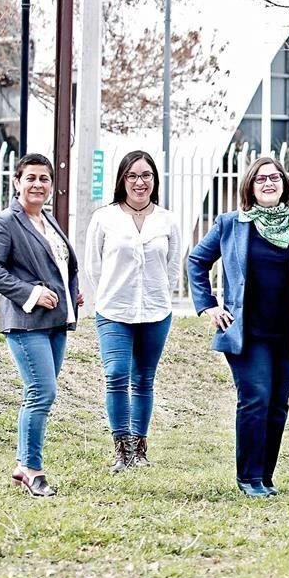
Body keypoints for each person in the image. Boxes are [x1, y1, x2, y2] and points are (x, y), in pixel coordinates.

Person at [187, 157, 289, 498]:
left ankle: (265, 476)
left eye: (275, 177)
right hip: (247, 333)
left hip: (288, 331)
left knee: (279, 404)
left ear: (284, 184)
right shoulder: (231, 224)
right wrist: (209, 305)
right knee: (256, 399)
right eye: (261, 178)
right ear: (249, 185)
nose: (268, 183)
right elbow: (197, 262)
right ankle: (248, 477)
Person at [0, 153, 82, 497]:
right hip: (26, 323)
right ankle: (31, 469)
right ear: (17, 182)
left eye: (44, 179)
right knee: (42, 392)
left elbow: (59, 266)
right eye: (31, 178)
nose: (38, 184)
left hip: (55, 321)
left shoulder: (48, 220)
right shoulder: (5, 222)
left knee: (39, 394)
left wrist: (72, 293)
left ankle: (25, 463)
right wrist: (31, 293)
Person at [84, 150, 182, 473]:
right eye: (133, 176)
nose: (140, 182)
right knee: (116, 375)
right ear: (122, 180)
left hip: (155, 312)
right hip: (114, 310)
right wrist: (109, 294)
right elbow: (93, 267)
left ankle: (139, 447)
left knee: (144, 379)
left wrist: (160, 296)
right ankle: (121, 449)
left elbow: (172, 267)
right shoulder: (104, 218)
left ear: (154, 180)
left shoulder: (166, 220)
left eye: (146, 176)